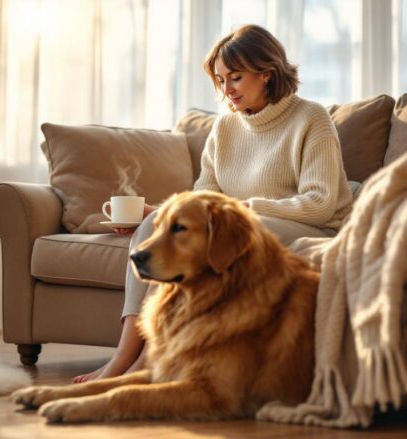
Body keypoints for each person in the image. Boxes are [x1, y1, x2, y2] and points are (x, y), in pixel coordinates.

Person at [73, 24, 353, 383]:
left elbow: (320, 204)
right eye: (220, 81)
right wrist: (158, 215)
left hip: (314, 224)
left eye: (235, 78)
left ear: (266, 74)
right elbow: (202, 200)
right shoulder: (224, 129)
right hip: (245, 222)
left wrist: (245, 210)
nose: (226, 90)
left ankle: (145, 364)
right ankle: (123, 356)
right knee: (152, 230)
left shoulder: (311, 119)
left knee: (207, 240)